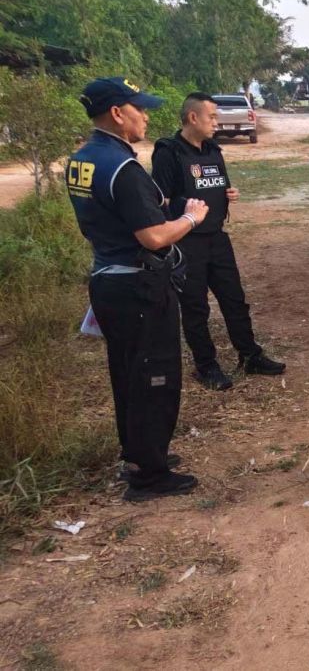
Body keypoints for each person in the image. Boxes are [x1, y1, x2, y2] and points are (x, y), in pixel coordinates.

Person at [66, 77, 208, 502]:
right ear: (117, 113)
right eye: (139, 109)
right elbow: (153, 236)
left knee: (127, 373)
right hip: (138, 286)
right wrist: (191, 219)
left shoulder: (83, 158)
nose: (145, 117)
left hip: (108, 279)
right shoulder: (122, 168)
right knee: (154, 376)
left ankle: (141, 454)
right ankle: (149, 475)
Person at [151, 92, 285, 390]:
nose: (216, 122)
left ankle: (250, 356)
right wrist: (185, 209)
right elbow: (161, 201)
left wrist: (228, 194)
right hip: (187, 241)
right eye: (211, 116)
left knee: (234, 299)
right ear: (193, 117)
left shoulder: (212, 149)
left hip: (216, 238)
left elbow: (217, 184)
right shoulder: (169, 152)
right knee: (195, 307)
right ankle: (206, 366)